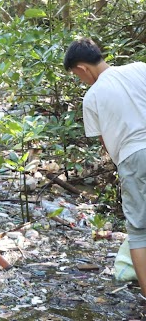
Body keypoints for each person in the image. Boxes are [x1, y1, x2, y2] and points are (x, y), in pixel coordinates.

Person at [63, 38, 146, 302]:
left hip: (133, 157)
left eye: (77, 75)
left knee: (139, 232)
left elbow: (105, 144)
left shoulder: (93, 96)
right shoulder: (139, 68)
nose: (80, 80)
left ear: (83, 68)